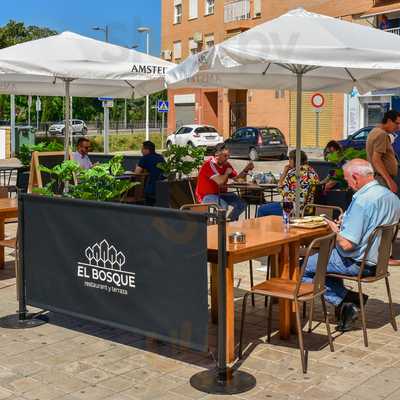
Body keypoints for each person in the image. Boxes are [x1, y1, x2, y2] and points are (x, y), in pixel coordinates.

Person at [303, 159, 400, 331]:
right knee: (322, 264)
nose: (347, 184)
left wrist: (334, 229)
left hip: (358, 262)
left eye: (347, 179)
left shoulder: (363, 201)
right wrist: (347, 221)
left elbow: (347, 245)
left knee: (301, 268)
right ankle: (347, 303)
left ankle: (347, 300)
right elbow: (372, 225)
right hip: (379, 261)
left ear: (356, 177)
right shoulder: (391, 197)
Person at [196, 143, 254, 221]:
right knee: (223, 206)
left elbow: (238, 179)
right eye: (225, 156)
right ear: (217, 155)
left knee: (242, 204)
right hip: (206, 196)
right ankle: (220, 227)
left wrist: (246, 170)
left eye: (228, 156)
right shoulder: (208, 165)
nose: (227, 158)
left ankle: (228, 222)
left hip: (221, 194)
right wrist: (226, 173)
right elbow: (220, 181)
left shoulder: (226, 164)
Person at [257, 150, 319, 217]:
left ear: (294, 160)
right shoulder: (313, 173)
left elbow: (282, 191)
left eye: (290, 159)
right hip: (307, 209)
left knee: (262, 209)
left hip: (290, 209)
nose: (289, 161)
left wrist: (284, 172)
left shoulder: (293, 173)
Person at [366, 110, 400, 193]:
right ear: (388, 121)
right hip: (383, 179)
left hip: (380, 177)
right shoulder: (382, 134)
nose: (398, 127)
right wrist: (390, 181)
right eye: (397, 123)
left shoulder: (374, 131)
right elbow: (376, 160)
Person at [134, 141, 165, 206]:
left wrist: (137, 166)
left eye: (142, 149)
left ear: (147, 150)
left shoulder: (145, 158)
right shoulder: (160, 157)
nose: (141, 151)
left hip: (151, 188)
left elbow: (137, 173)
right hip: (163, 187)